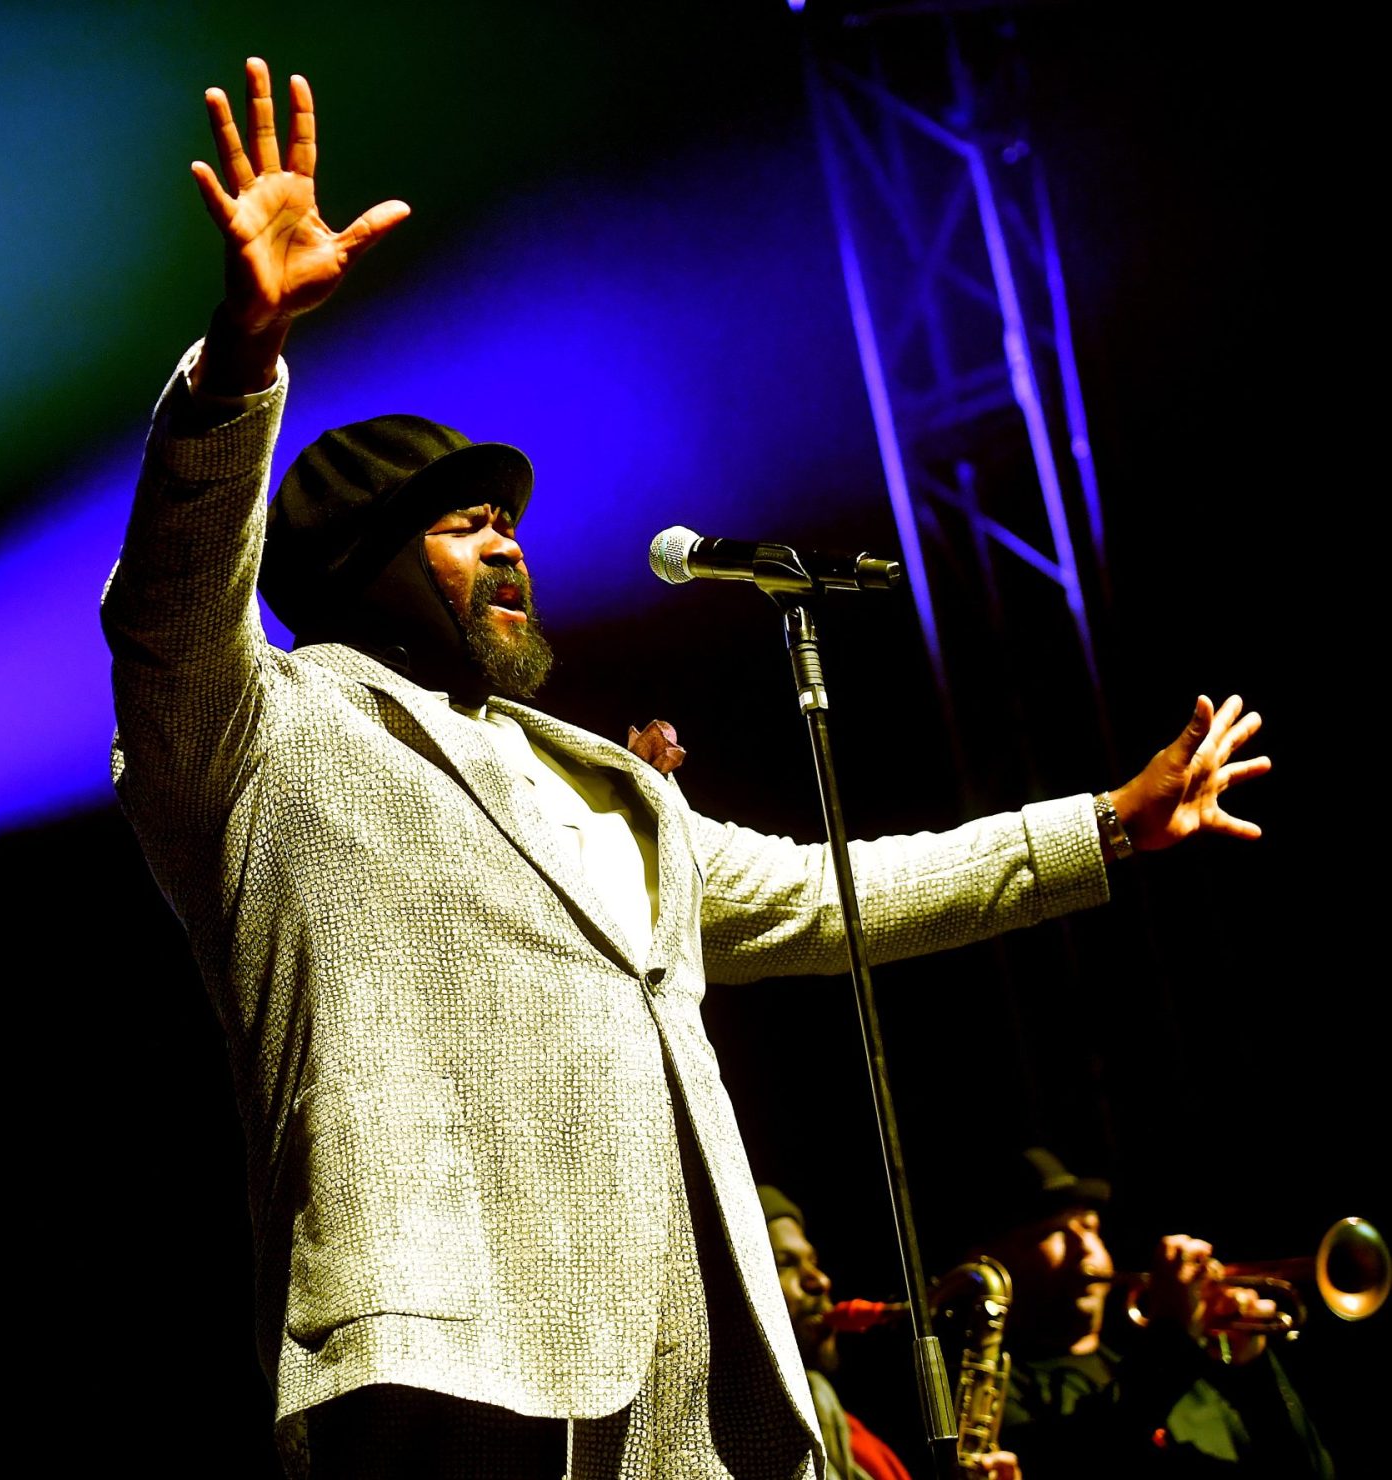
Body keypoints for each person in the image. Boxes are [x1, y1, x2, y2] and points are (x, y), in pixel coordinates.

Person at [100, 57, 1271, 1478]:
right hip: (439, 1364)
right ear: (356, 568)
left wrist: (1106, 829)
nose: (513, 545)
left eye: (509, 522)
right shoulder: (261, 737)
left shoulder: (608, 793)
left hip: (688, 1392)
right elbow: (165, 603)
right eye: (467, 525)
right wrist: (242, 355)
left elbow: (843, 894)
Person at [974, 1148, 1334, 1476]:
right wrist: (1175, 1332)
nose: (1085, 1247)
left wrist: (1254, 1367)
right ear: (994, 1258)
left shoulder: (1188, 1385)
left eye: (1090, 1227)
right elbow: (1084, 1456)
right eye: (1053, 1231)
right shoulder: (999, 1395)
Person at [757, 1186, 1020, 1480]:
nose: (820, 1280)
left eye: (814, 1263)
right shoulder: (755, 1439)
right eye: (783, 1263)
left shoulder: (838, 1420)